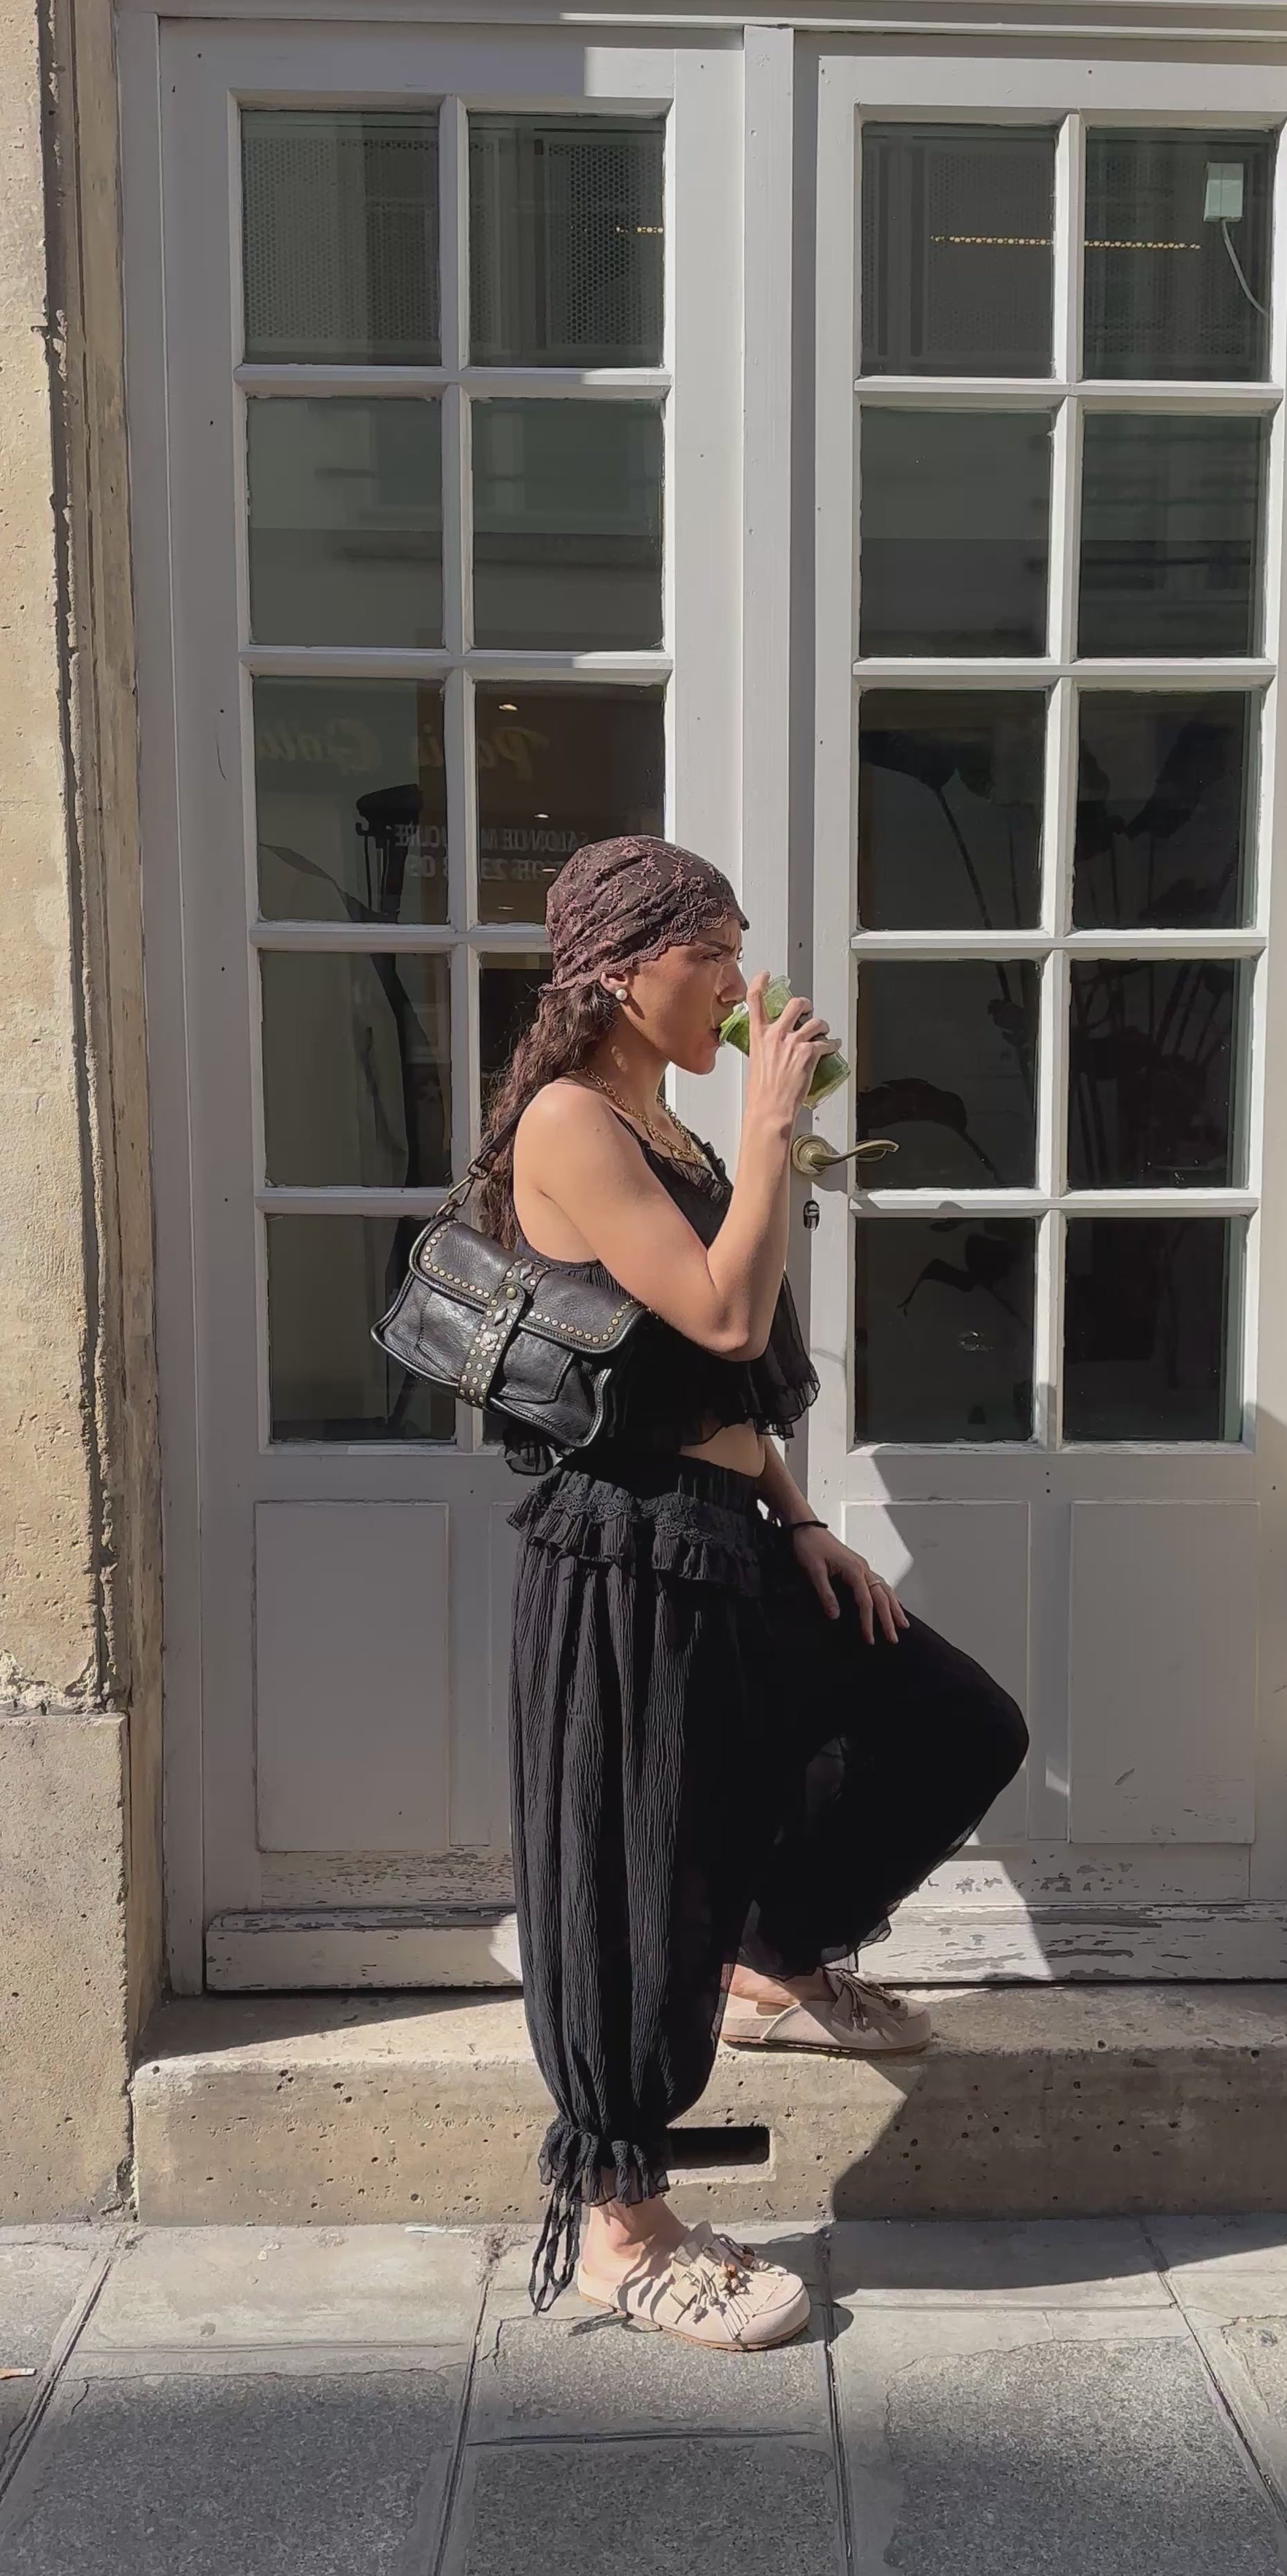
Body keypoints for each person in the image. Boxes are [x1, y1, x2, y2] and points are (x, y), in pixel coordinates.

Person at [476, 837, 1029, 2349]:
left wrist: (797, 1514)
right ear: (617, 970)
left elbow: (709, 1377)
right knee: (636, 1874)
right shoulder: (572, 1122)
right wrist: (775, 1124)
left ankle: (781, 1949)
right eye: (708, 953)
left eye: (736, 949)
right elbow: (723, 1315)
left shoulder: (662, 1118)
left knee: (953, 1719)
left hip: (729, 1526)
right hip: (625, 1551)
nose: (738, 981)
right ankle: (619, 2223)